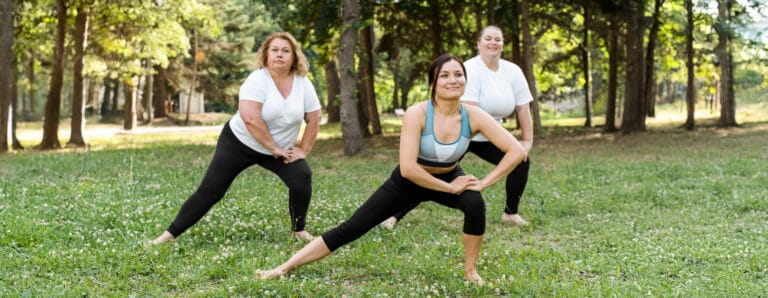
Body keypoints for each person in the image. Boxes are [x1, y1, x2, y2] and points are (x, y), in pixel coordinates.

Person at [255, 54, 527, 284]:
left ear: (466, 82)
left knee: (475, 204)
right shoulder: (417, 113)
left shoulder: (474, 116)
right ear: (433, 83)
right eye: (444, 75)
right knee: (352, 227)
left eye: (458, 74)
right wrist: (449, 188)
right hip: (409, 181)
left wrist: (483, 183)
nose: (453, 80)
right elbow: (408, 169)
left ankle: (471, 271)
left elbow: (517, 151)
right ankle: (282, 268)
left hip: (448, 174)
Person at [149, 32, 321, 245]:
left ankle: (299, 230)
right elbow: (250, 118)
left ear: (294, 57)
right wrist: (273, 147)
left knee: (301, 176)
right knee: (211, 190)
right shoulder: (257, 80)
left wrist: (303, 150)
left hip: (278, 149)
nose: (279, 55)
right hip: (240, 143)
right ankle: (169, 235)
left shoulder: (303, 83)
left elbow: (314, 118)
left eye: (286, 51)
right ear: (266, 55)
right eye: (274, 50)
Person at [380, 25, 534, 229]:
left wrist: (526, 141)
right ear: (479, 43)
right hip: (460, 134)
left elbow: (523, 107)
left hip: (488, 136)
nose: (493, 42)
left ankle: (511, 213)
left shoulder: (513, 71)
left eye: (498, 39)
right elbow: (470, 111)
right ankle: (394, 215)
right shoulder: (467, 69)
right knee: (431, 171)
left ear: (503, 44)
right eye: (488, 38)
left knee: (521, 161)